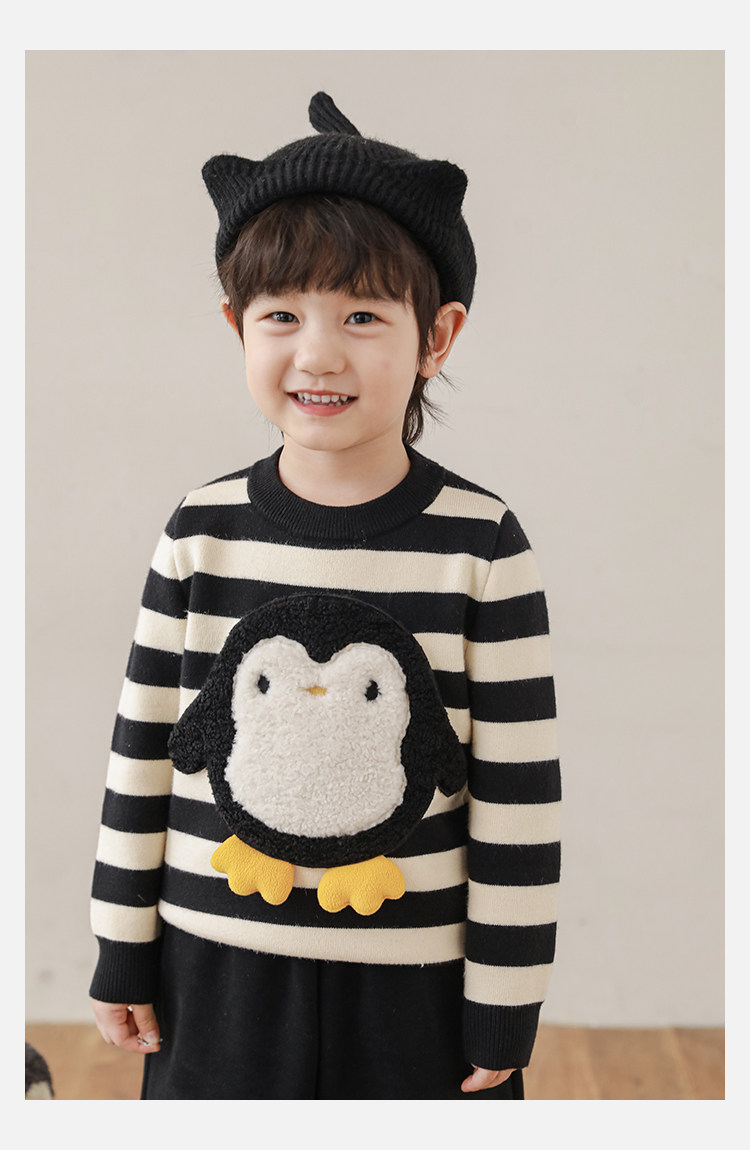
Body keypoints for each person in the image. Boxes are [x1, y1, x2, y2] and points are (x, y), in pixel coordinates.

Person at [89, 91, 561, 1101]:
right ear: (236, 326)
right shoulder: (200, 530)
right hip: (212, 976)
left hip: (415, 993)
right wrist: (121, 942)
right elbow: (144, 751)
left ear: (437, 335)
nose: (318, 353)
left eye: (362, 316)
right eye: (281, 316)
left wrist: (505, 1000)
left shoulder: (482, 545)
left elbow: (519, 794)